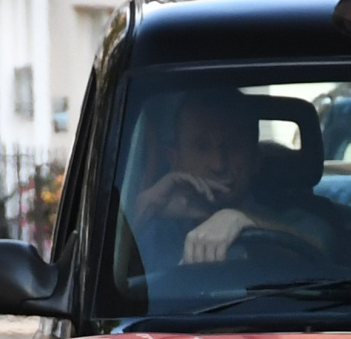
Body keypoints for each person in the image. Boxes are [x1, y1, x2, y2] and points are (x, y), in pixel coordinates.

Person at [129, 89, 333, 269]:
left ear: (256, 159)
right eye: (201, 146)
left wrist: (244, 222)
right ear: (174, 160)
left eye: (233, 145)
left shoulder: (297, 220)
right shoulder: (149, 228)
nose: (218, 164)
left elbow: (320, 254)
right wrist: (146, 206)